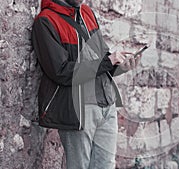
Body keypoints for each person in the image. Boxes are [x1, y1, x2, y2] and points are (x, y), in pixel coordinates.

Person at [31, 0, 140, 168]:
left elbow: (101, 59)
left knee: (106, 165)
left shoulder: (87, 13)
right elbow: (60, 71)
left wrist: (120, 66)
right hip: (78, 111)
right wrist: (108, 61)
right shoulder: (45, 21)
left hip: (106, 104)